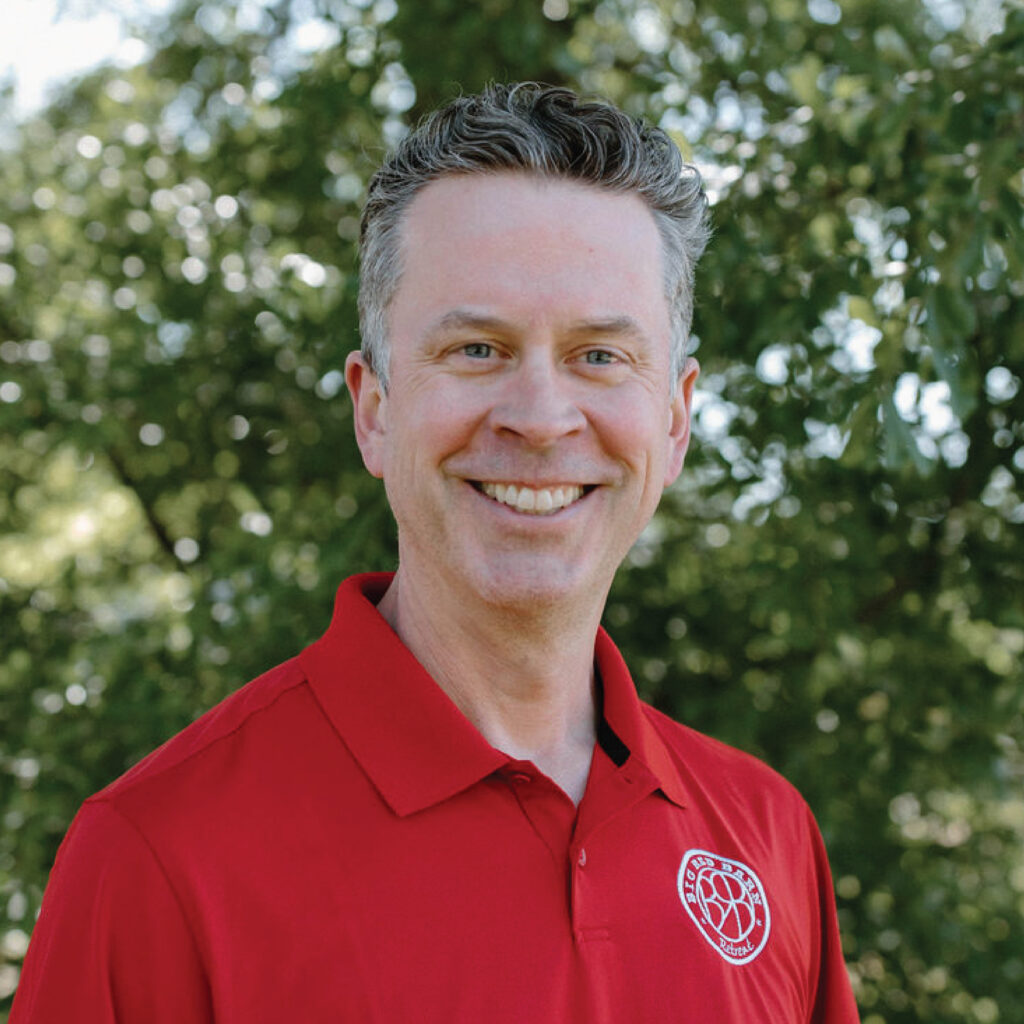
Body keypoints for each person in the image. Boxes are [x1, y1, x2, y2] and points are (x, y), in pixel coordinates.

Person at [11, 83, 860, 1023]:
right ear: (373, 410)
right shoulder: (157, 855)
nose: (541, 418)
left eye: (599, 356)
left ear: (675, 419)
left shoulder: (767, 837)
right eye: (477, 350)